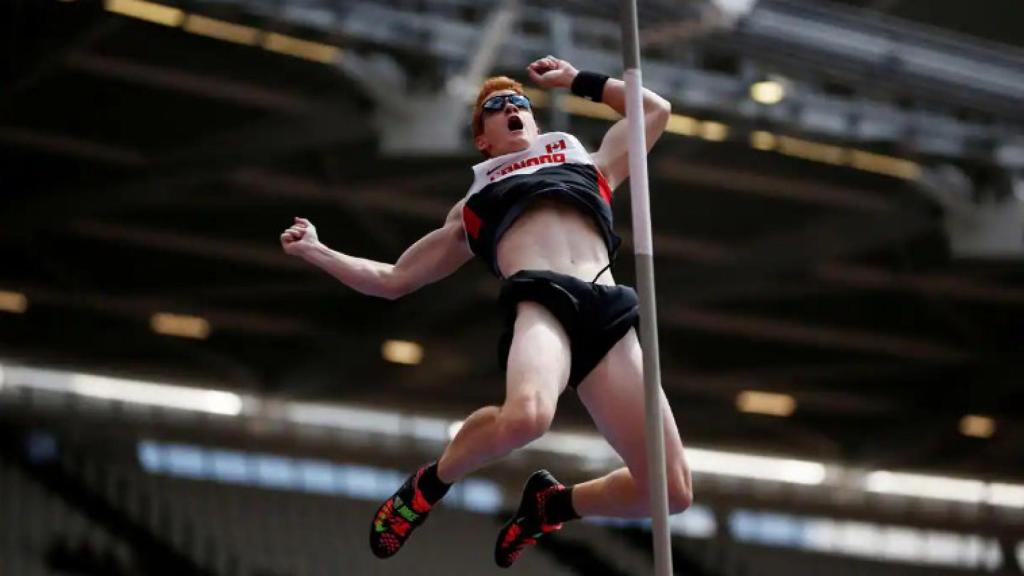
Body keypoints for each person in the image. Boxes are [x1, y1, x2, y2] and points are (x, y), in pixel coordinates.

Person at [280, 55, 692, 568]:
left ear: (535, 120)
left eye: (520, 102)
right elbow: (393, 280)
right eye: (498, 106)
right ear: (483, 139)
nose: (513, 107)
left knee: (670, 492)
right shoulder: (474, 203)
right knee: (527, 418)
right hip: (544, 302)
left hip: (607, 310)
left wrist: (574, 80)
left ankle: (552, 506)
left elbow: (653, 109)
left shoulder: (589, 162)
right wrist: (317, 250)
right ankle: (430, 484)